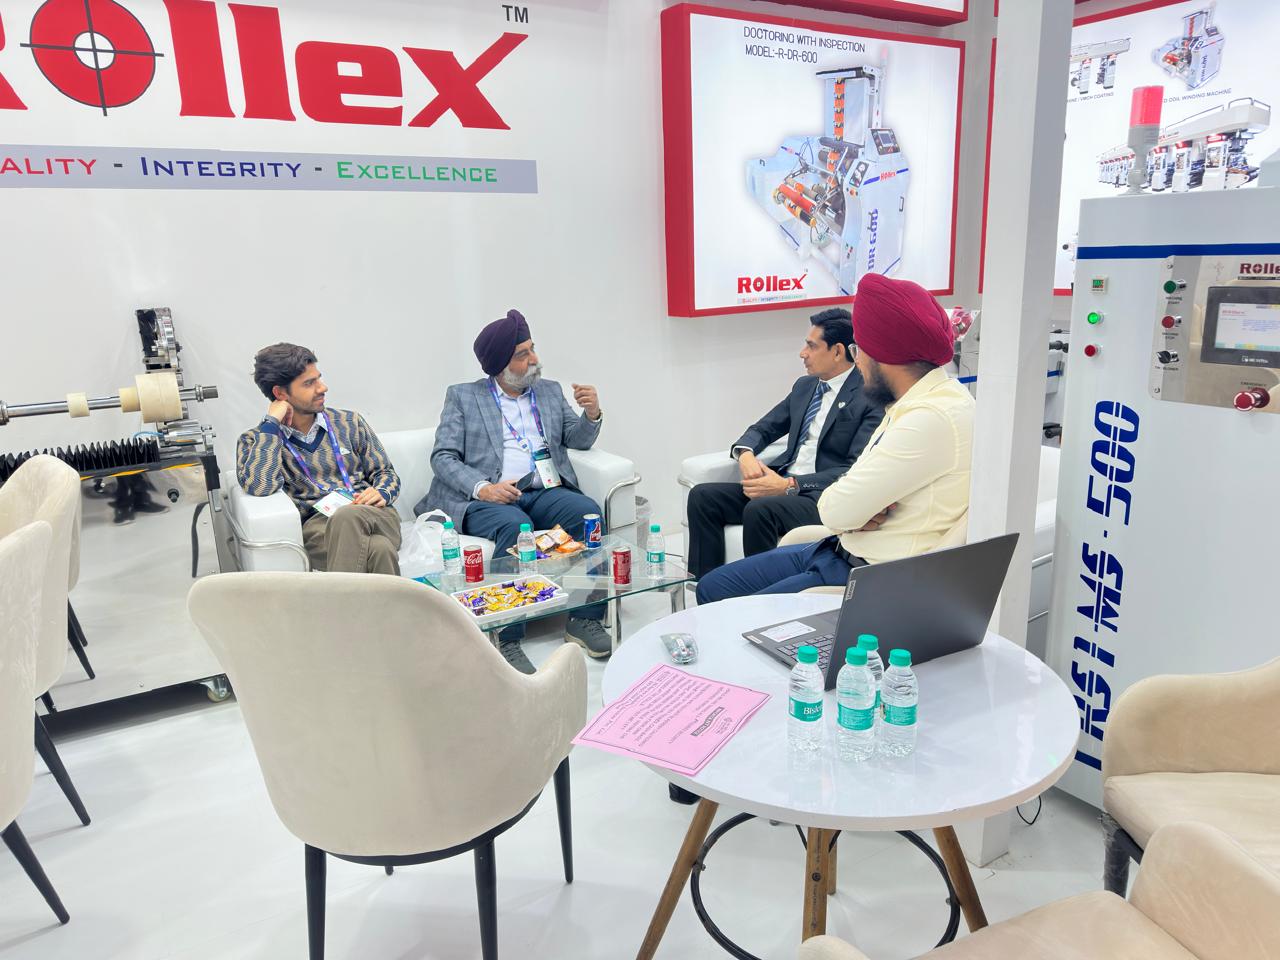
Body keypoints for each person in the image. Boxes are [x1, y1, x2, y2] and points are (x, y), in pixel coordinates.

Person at [695, 273, 971, 603]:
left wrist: (850, 508)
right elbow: (847, 496)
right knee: (711, 587)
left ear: (883, 354)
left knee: (733, 612)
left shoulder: (928, 419)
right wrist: (856, 509)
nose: (859, 362)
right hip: (836, 547)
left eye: (860, 350)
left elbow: (835, 509)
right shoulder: (920, 401)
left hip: (862, 571)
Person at [418, 309, 611, 673]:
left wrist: (591, 414)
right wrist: (483, 488)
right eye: (523, 354)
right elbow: (442, 457)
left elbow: (577, 440)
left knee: (588, 515)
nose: (534, 359)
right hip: (489, 496)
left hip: (543, 489)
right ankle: (507, 635)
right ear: (500, 366)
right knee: (513, 527)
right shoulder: (463, 397)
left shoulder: (549, 391)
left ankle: (585, 617)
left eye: (532, 349)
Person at [686, 308, 882, 578]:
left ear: (838, 351)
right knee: (703, 497)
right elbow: (764, 428)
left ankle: (759, 593)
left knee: (760, 510)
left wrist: (790, 485)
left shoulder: (868, 395)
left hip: (821, 496)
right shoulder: (806, 386)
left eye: (811, 346)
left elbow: (852, 468)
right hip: (780, 484)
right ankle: (705, 583)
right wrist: (745, 454)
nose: (803, 353)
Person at [236, 343, 403, 575]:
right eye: (309, 383)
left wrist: (382, 491)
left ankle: (333, 598)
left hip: (374, 514)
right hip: (319, 528)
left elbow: (386, 472)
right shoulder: (256, 440)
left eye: (319, 379)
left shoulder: (349, 422)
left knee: (349, 515)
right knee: (380, 549)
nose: (322, 388)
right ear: (280, 393)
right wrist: (271, 424)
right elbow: (259, 486)